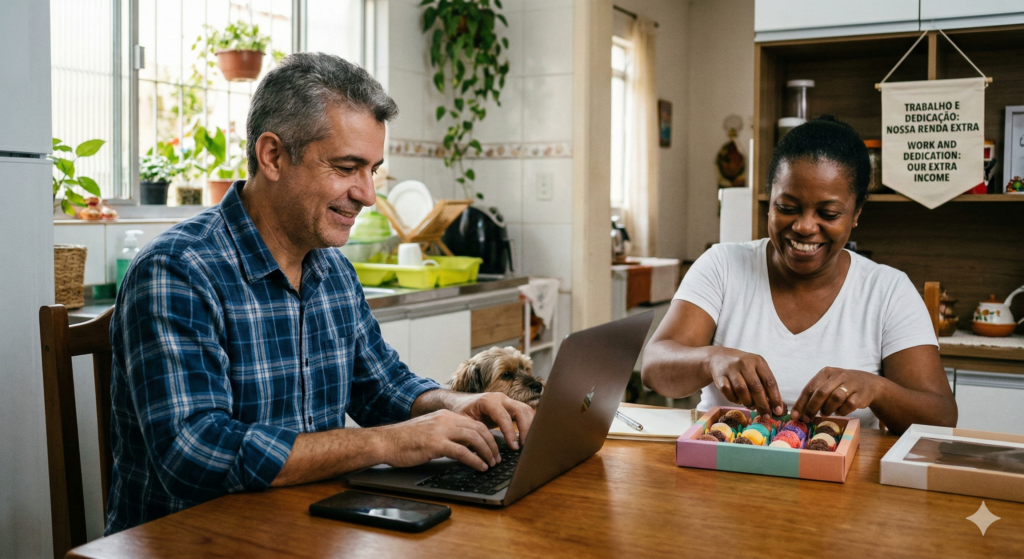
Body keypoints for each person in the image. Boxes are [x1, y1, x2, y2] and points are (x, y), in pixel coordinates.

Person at [105, 53, 534, 534]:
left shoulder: (332, 270)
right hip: (191, 540)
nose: (368, 194)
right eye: (348, 167)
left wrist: (454, 404)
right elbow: (196, 451)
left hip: (306, 526)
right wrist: (386, 442)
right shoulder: (177, 270)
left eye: (372, 170)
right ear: (273, 156)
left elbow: (381, 386)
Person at [641, 116, 956, 434]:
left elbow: (941, 417)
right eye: (787, 208)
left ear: (857, 213)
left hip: (843, 467)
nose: (804, 226)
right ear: (769, 201)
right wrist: (711, 359)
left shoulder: (888, 291)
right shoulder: (722, 265)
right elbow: (653, 368)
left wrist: (877, 388)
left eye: (828, 213)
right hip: (718, 462)